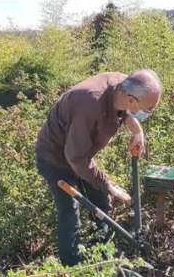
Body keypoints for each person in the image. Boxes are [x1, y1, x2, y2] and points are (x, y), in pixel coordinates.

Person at [34, 70, 163, 266]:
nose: (150, 112)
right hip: (56, 159)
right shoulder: (89, 105)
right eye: (149, 108)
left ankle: (101, 256)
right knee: (70, 214)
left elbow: (124, 112)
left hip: (80, 154)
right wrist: (107, 183)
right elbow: (76, 158)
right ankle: (74, 270)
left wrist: (137, 130)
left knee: (101, 203)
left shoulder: (122, 84)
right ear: (131, 100)